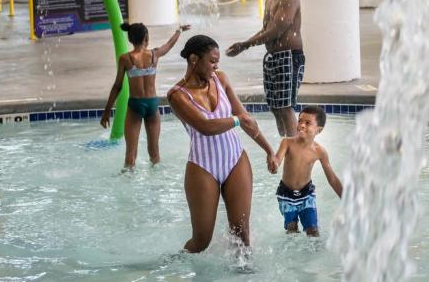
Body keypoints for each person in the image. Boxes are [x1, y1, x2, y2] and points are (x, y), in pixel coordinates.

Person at [167, 35, 278, 253]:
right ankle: (175, 265)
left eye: (217, 61)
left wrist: (269, 150)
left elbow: (246, 119)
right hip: (203, 166)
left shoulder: (221, 79)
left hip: (235, 159)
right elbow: (205, 127)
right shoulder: (177, 95)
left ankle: (244, 274)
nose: (216, 65)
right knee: (201, 241)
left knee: (241, 232)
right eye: (212, 61)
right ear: (193, 60)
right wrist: (237, 120)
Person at [226, 0, 304, 139]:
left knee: (285, 106)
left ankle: (293, 149)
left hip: (289, 57)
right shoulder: (270, 0)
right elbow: (265, 29)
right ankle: (285, 143)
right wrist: (244, 43)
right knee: (275, 106)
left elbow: (276, 30)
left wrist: (245, 45)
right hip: (272, 57)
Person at [101, 22, 190, 168]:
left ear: (130, 39)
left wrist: (106, 112)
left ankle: (127, 185)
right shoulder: (155, 54)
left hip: (135, 104)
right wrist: (179, 30)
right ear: (146, 38)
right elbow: (169, 45)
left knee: (130, 155)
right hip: (152, 105)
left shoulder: (125, 59)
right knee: (155, 154)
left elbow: (117, 86)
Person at [272, 106, 342, 237]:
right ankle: (294, 256)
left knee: (313, 231)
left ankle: (314, 254)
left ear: (318, 130)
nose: (301, 125)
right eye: (300, 121)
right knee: (291, 229)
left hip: (306, 194)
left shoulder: (319, 151)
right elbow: (277, 160)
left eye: (308, 123)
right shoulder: (287, 143)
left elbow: (332, 178)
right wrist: (274, 165)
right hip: (286, 195)